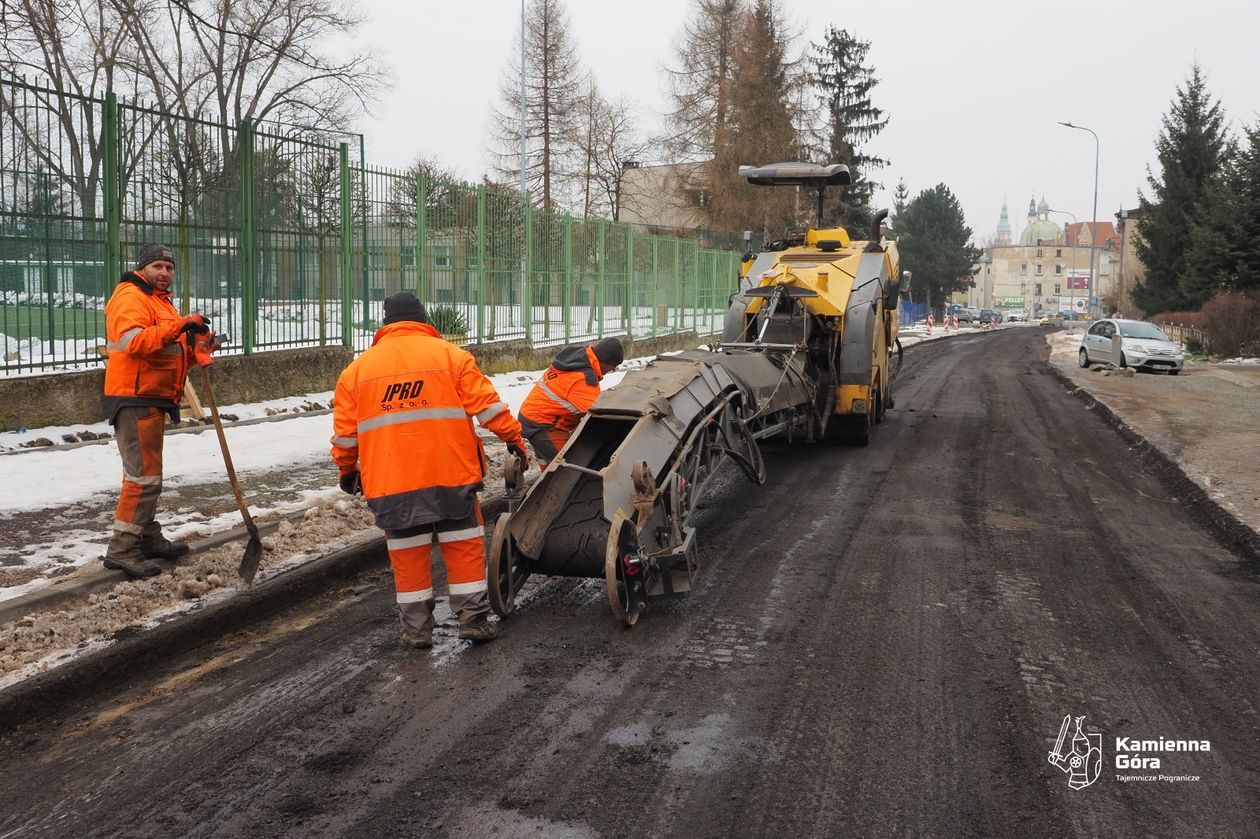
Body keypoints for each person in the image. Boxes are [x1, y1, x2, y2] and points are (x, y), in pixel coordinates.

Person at [331, 292, 528, 647]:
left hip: (391, 484)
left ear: (385, 325)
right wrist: (515, 439)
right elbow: (488, 409)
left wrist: (347, 471)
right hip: (451, 475)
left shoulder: (356, 372)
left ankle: (417, 631)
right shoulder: (452, 357)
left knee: (407, 557)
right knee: (462, 545)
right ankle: (473, 620)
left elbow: (346, 437)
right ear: (424, 320)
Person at [102, 243, 211, 578]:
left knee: (150, 475)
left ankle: (147, 537)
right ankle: (123, 549)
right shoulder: (130, 297)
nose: (165, 273)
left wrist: (198, 348)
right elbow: (134, 343)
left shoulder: (159, 302)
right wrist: (178, 327)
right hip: (134, 397)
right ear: (143, 268)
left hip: (152, 396)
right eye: (158, 267)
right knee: (142, 478)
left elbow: (168, 352)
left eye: (169, 267)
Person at [517, 337, 625, 468]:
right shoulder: (584, 380)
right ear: (605, 361)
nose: (612, 370)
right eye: (613, 366)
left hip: (533, 415)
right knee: (567, 468)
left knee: (549, 465)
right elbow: (599, 414)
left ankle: (545, 485)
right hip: (543, 424)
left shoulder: (578, 358)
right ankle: (556, 486)